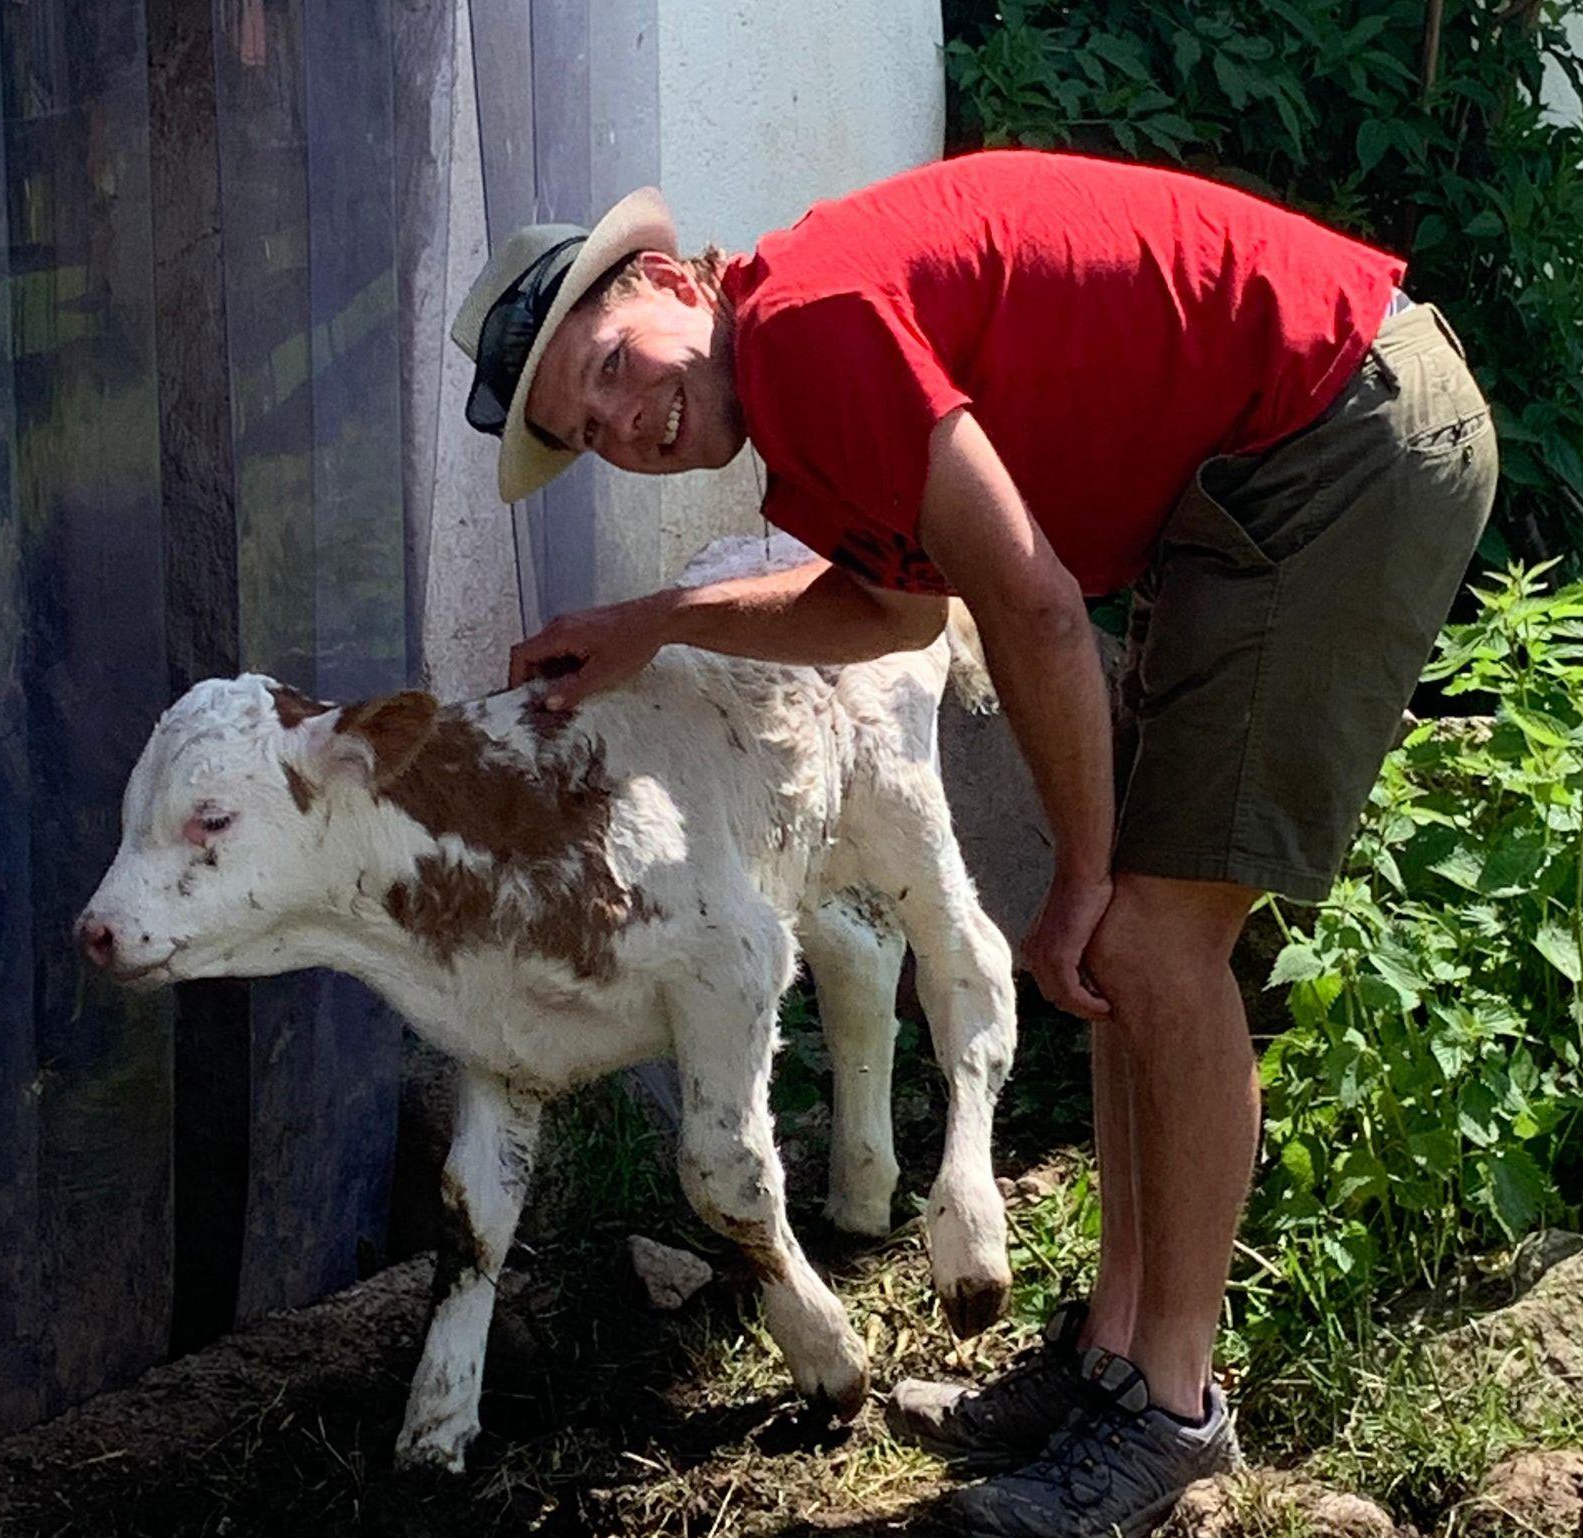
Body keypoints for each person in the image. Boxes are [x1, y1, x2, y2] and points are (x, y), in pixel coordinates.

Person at [452, 149, 1495, 1538]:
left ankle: (1172, 1413)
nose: (626, 422)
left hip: (1336, 431)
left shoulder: (812, 328)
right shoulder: (794, 397)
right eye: (590, 429)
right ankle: (1116, 1358)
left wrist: (1079, 875)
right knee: (1125, 955)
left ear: (665, 281)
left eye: (611, 367)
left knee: (1150, 944)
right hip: (1271, 457)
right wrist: (655, 624)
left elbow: (1038, 607)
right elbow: (893, 611)